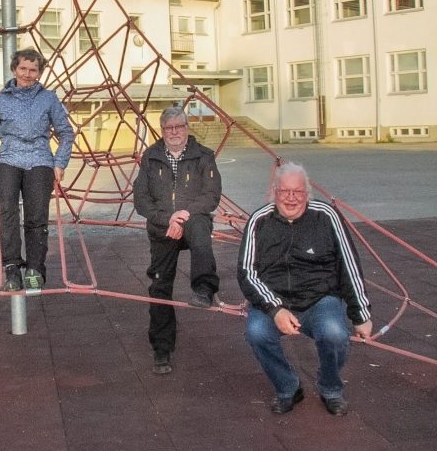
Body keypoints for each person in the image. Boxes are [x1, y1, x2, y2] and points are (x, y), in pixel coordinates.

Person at [238, 162, 373, 415]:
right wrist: (275, 309)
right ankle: (288, 387)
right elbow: (246, 272)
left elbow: (349, 264)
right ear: (274, 192)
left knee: (334, 333)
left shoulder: (326, 216)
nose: (291, 198)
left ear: (307, 193)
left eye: (298, 192)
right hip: (274, 301)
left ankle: (330, 387)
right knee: (256, 333)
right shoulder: (259, 220)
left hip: (319, 300)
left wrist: (361, 314)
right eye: (284, 191)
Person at [0, 48, 74, 292]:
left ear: (40, 72)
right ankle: (11, 266)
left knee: (37, 216)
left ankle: (34, 268)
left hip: (40, 159)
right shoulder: (0, 100)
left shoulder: (48, 98)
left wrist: (60, 163)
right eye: (23, 69)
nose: (28, 74)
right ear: (14, 69)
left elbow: (66, 133)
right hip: (8, 159)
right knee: (7, 212)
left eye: (34, 70)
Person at [133, 106, 222, 375]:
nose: (174, 132)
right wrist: (167, 219)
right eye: (169, 128)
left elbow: (212, 194)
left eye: (179, 127)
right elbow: (141, 200)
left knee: (200, 234)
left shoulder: (203, 156)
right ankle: (162, 348)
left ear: (187, 128)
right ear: (162, 131)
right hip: (163, 226)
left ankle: (204, 288)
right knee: (160, 284)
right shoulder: (151, 157)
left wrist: (183, 214)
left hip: (192, 218)